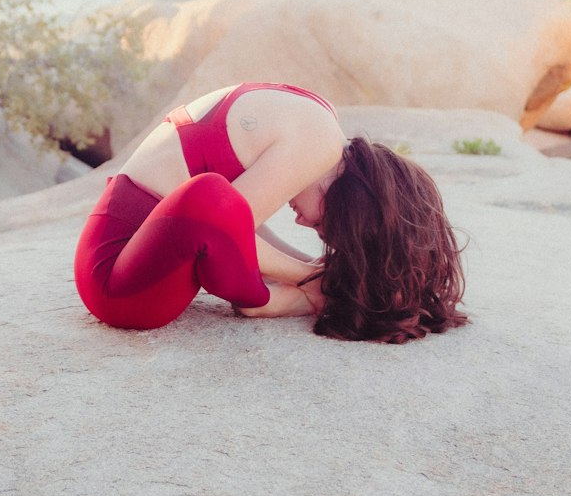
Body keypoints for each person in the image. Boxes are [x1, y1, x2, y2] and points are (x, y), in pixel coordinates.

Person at [73, 81, 468, 343]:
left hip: (141, 264)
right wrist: (315, 277)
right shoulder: (319, 142)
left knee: (217, 204)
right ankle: (300, 299)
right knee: (211, 199)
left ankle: (306, 296)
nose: (301, 221)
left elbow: (238, 230)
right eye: (323, 226)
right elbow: (229, 232)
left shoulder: (319, 118)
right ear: (353, 206)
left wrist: (314, 273)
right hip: (119, 282)